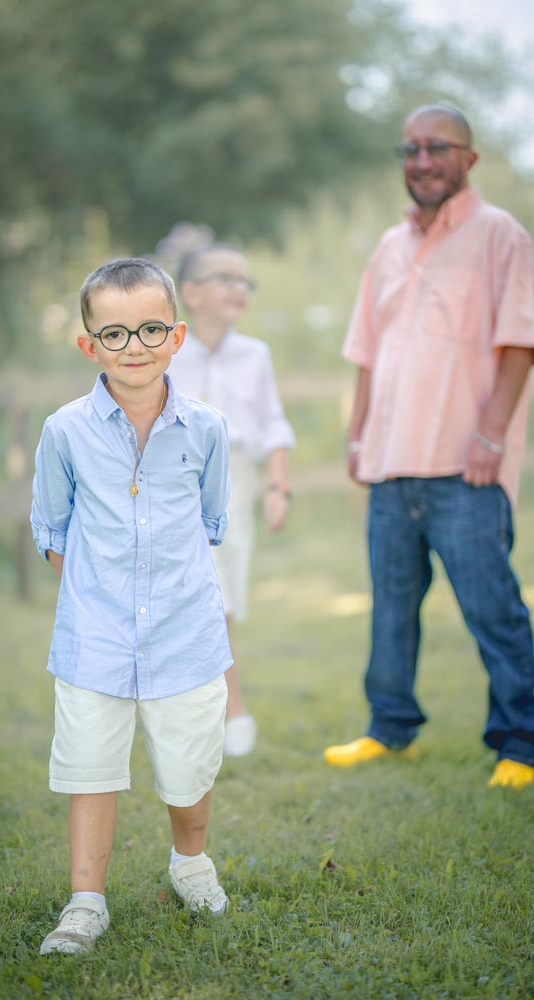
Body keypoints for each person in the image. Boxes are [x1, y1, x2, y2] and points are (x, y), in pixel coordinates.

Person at [323, 104, 534, 789]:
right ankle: (389, 730)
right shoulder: (386, 249)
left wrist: (490, 435)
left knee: (492, 610)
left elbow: (517, 343)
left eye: (437, 148)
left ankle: (518, 743)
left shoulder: (498, 236)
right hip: (390, 466)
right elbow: (366, 351)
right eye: (410, 149)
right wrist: (356, 434)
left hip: (464, 468)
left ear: (468, 159)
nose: (421, 161)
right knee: (390, 608)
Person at [31, 258, 233, 956]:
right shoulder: (64, 430)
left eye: (150, 328)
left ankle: (190, 863)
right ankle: (85, 903)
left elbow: (210, 519)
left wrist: (162, 600)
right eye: (113, 334)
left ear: (176, 335)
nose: (134, 346)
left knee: (187, 767)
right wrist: (101, 600)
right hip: (96, 636)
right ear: (89, 347)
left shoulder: (206, 428)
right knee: (89, 766)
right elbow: (53, 530)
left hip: (186, 633)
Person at [168, 243, 295, 757]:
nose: (240, 289)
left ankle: (224, 704)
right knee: (180, 598)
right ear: (191, 293)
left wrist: (277, 487)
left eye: (246, 281)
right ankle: (206, 706)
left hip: (233, 485)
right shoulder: (162, 351)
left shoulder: (255, 354)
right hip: (170, 483)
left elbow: (272, 426)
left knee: (221, 601)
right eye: (227, 278)